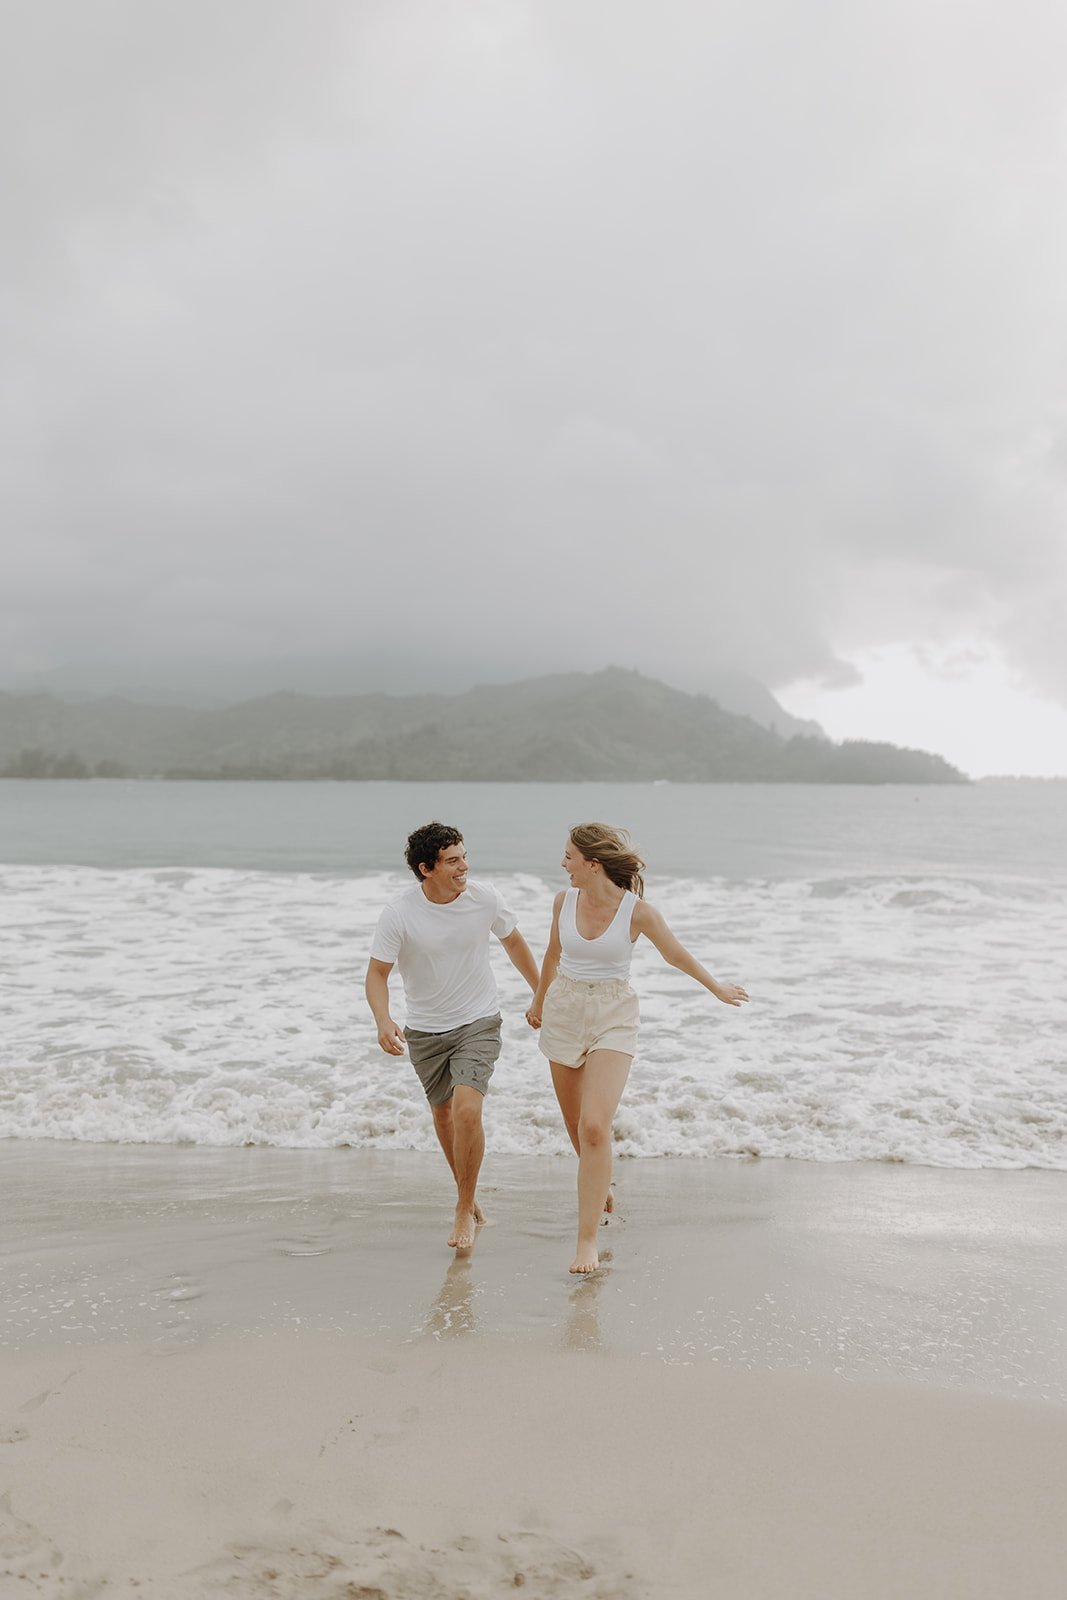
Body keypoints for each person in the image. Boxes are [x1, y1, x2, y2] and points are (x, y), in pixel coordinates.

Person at [525, 823, 749, 1274]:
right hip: (564, 1008)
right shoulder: (562, 901)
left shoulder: (638, 912)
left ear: (592, 864)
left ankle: (586, 1239)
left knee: (593, 1127)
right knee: (575, 1128)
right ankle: (599, 1181)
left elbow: (676, 955)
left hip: (614, 1014)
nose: (562, 863)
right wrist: (538, 1000)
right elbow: (552, 953)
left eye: (568, 856)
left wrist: (716, 987)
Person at [366, 821, 539, 1251]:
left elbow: (515, 944)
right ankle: (469, 1193)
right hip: (424, 1028)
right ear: (427, 869)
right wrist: (383, 1020)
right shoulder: (399, 914)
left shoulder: (485, 898)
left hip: (478, 1020)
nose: (465, 867)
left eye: (464, 856)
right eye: (453, 861)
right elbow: (377, 974)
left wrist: (543, 993)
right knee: (443, 1115)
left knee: (466, 1111)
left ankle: (462, 1207)